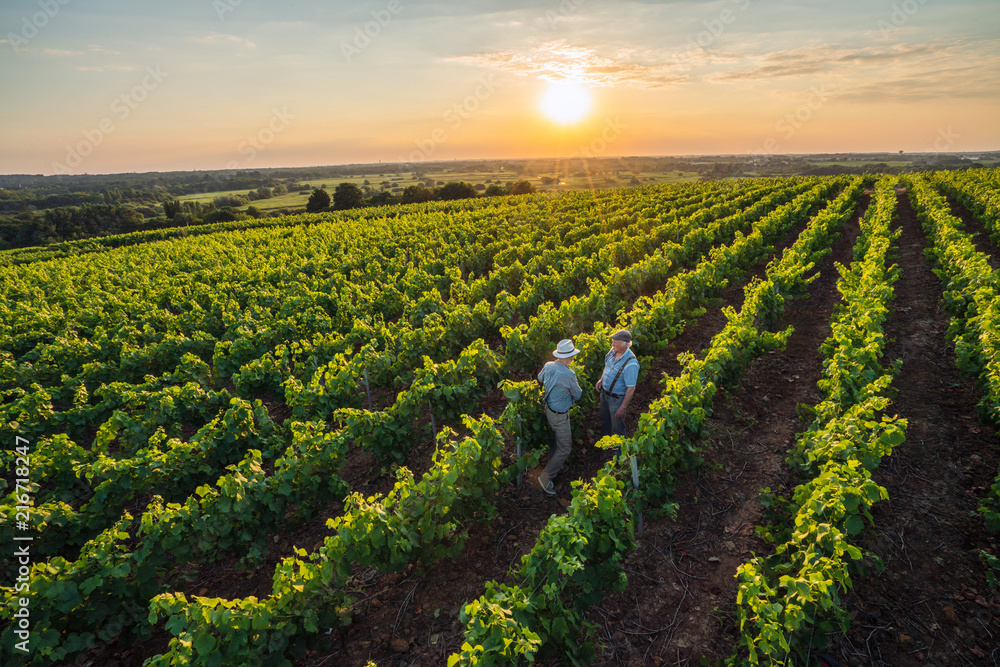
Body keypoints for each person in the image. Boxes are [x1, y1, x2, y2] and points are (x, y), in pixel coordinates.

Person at [536, 339, 583, 495]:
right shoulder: (569, 374)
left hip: (549, 409)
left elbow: (540, 379)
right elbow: (578, 394)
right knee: (565, 448)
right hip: (561, 415)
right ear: (569, 357)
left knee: (555, 440)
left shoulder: (548, 365)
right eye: (572, 357)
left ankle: (556, 464)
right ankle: (545, 477)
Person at [596, 329, 639, 438]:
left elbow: (631, 388)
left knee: (617, 428)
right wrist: (601, 380)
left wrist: (622, 407)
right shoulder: (613, 351)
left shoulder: (631, 364)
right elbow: (607, 365)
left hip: (616, 400)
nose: (612, 344)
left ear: (625, 344)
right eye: (613, 341)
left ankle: (619, 453)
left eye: (616, 342)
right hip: (605, 395)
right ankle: (605, 445)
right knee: (605, 421)